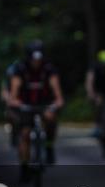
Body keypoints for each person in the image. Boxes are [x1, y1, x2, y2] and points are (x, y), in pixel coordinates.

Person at [7, 40, 65, 177]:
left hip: (44, 103)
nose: (36, 62)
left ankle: (49, 146)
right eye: (34, 59)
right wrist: (14, 101)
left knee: (50, 119)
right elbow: (14, 90)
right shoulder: (20, 68)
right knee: (25, 133)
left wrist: (58, 100)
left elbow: (56, 89)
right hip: (25, 104)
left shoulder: (49, 69)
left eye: (39, 59)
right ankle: (24, 166)